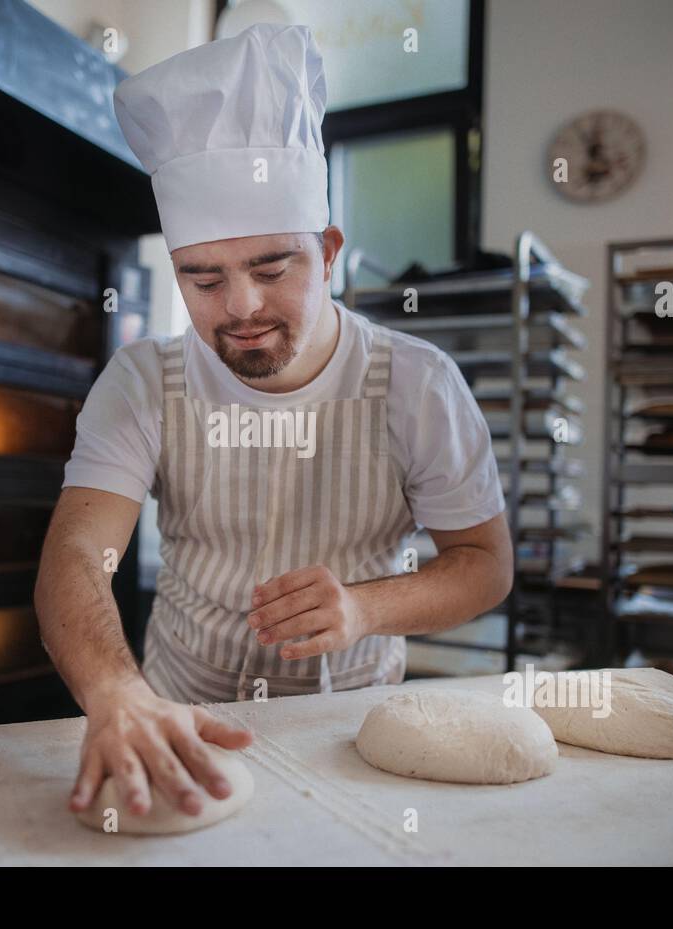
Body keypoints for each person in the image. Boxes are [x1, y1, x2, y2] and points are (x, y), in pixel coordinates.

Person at [35, 23, 512, 822]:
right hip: (176, 716)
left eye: (271, 267)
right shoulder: (145, 381)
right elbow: (78, 553)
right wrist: (116, 692)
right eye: (203, 278)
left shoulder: (418, 384)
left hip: (353, 727)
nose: (242, 309)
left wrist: (364, 607)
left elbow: (483, 563)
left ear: (327, 252)